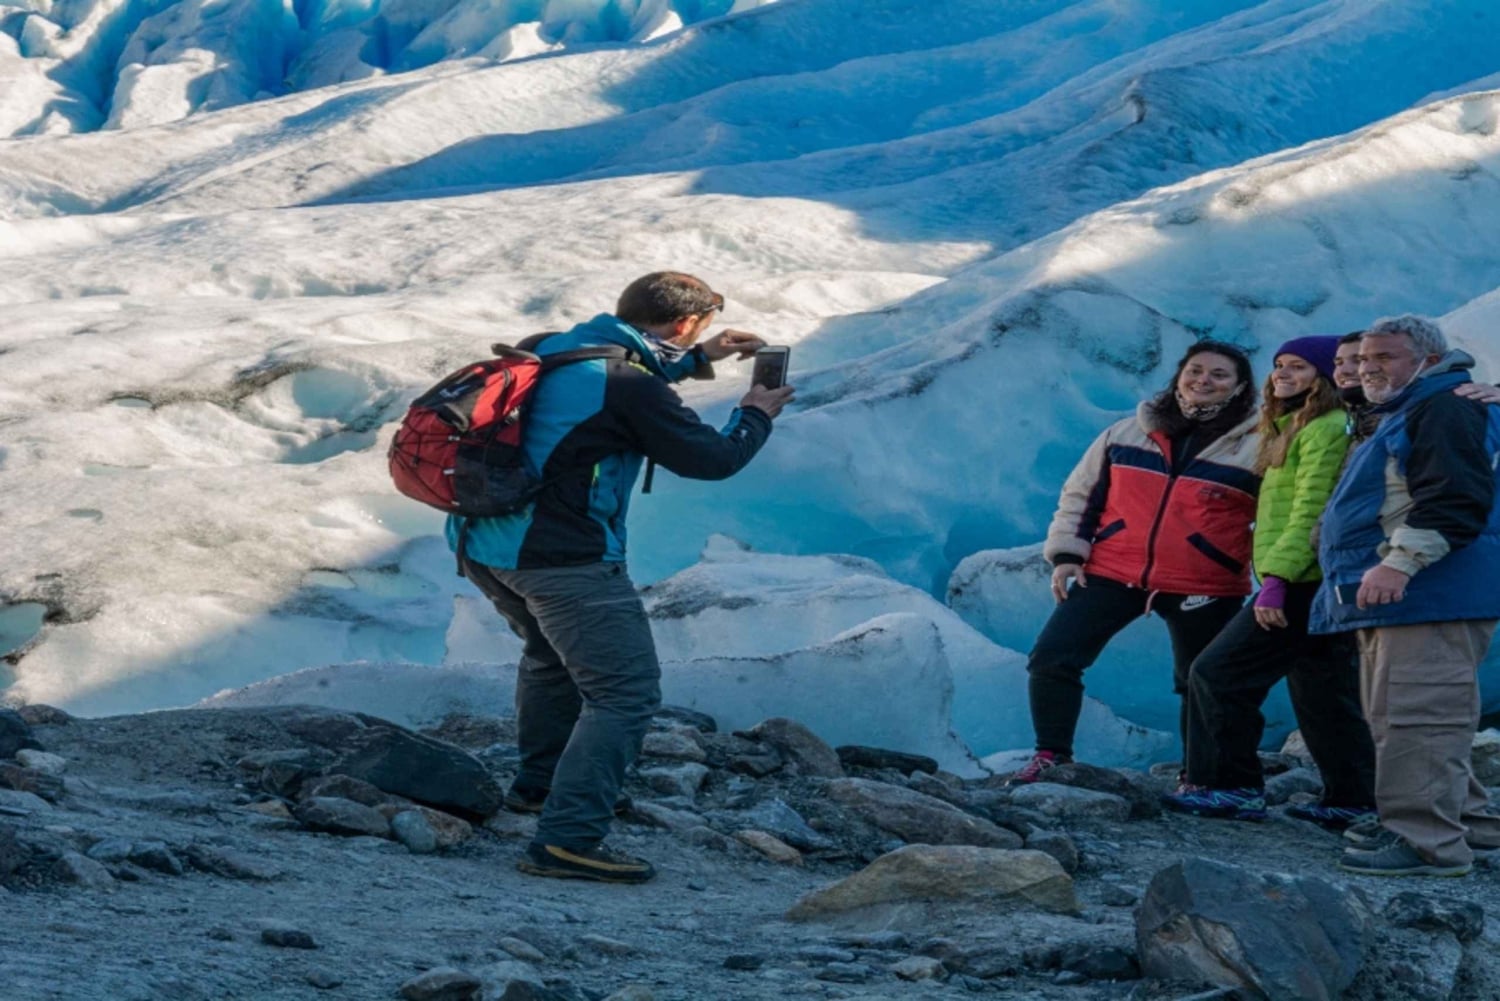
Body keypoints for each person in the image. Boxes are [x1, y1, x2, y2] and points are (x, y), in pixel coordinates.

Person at [451, 272, 794, 883]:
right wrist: (754, 414)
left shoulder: (554, 345)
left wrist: (694, 361)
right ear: (685, 322)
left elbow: (608, 389)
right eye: (699, 332)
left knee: (549, 660)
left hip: (482, 544)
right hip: (562, 560)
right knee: (625, 693)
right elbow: (713, 459)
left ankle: (539, 788)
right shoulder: (629, 385)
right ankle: (568, 840)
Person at [1011, 341, 1259, 784]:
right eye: (1195, 370)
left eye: (1219, 374)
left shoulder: (1256, 447)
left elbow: (1277, 516)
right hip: (1112, 570)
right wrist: (1068, 554)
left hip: (1204, 580)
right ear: (1178, 375)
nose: (1203, 380)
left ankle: (1201, 776)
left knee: (1199, 682)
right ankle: (1051, 755)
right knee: (1052, 657)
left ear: (1240, 387)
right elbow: (1081, 495)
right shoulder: (1126, 434)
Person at [1311, 315, 1500, 878]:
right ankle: (1470, 825)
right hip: (1411, 594)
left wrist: (1400, 564)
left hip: (1429, 589)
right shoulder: (1410, 410)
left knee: (1420, 714)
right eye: (1364, 359)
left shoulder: (1443, 407)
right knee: (1408, 713)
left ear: (1431, 359)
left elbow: (1453, 499)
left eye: (1385, 358)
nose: (1369, 368)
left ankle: (1427, 843)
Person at [1164, 337, 1375, 824]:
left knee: (1217, 673)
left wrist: (1277, 580)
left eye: (1298, 366)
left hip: (1303, 579)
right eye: (1279, 365)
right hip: (1312, 579)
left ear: (1321, 376)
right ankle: (1354, 797)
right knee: (1322, 689)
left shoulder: (1324, 429)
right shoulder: (1292, 427)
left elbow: (1311, 511)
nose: (1282, 373)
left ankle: (1231, 786)